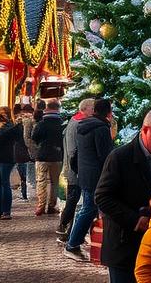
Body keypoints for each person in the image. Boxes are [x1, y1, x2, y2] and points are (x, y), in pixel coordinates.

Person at [94, 108, 151, 283]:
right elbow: (102, 197)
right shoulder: (120, 157)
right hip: (126, 247)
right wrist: (135, 220)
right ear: (145, 130)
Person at [63, 98, 116, 262]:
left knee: (88, 208)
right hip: (96, 176)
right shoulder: (101, 128)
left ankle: (76, 242)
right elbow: (105, 156)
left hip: (85, 175)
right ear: (108, 112)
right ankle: (72, 244)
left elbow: (79, 153)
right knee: (89, 209)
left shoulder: (83, 126)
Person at [58, 98, 96, 241]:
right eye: (92, 108)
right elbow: (73, 151)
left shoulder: (77, 122)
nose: (94, 111)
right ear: (85, 109)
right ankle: (63, 228)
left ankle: (67, 229)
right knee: (73, 199)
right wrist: (78, 169)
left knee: (74, 199)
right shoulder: (77, 124)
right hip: (76, 169)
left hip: (77, 168)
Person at [32, 98, 66, 216]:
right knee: (54, 182)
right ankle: (52, 206)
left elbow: (34, 137)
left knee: (41, 181)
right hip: (56, 156)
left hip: (42, 156)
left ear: (47, 108)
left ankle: (41, 206)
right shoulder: (62, 123)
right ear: (58, 108)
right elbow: (63, 141)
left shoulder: (41, 123)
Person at [0, 106, 22, 219]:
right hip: (6, 157)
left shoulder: (7, 127)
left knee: (3, 183)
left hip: (4, 158)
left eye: (0, 114)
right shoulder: (13, 126)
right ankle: (0, 209)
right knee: (1, 183)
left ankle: (4, 211)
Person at [14, 103, 33, 201]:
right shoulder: (29, 122)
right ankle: (24, 194)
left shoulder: (17, 122)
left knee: (22, 174)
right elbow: (27, 137)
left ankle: (24, 194)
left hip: (17, 150)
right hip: (23, 151)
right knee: (23, 175)